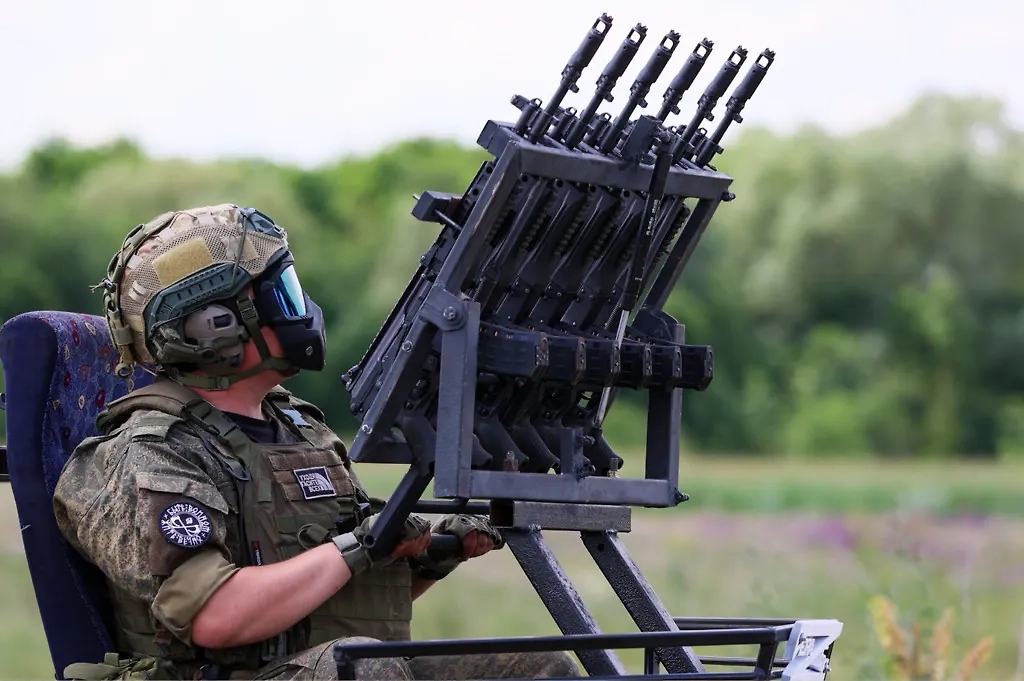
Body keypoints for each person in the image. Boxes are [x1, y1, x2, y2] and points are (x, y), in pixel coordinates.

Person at [52, 204, 580, 680]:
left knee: (539, 668)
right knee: (358, 667)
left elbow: (337, 588)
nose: (301, 307)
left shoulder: (300, 427)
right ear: (214, 327)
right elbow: (212, 615)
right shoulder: (149, 453)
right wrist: (359, 547)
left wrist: (428, 553)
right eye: (280, 293)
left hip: (322, 667)